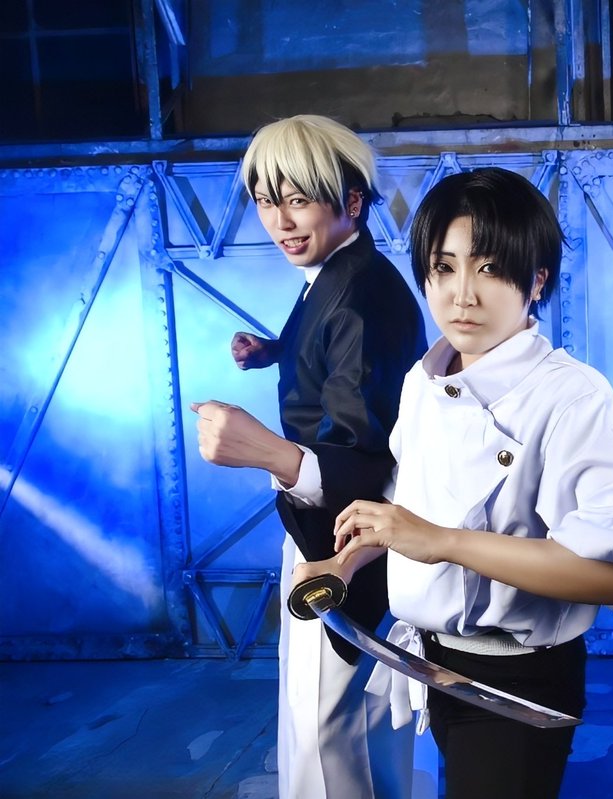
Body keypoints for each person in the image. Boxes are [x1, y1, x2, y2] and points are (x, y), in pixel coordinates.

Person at [292, 167, 613, 799]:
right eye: (444, 267)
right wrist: (344, 561)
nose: (462, 295)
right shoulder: (425, 380)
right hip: (435, 663)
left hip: (517, 685)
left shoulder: (571, 396)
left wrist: (445, 543)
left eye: (489, 268)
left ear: (537, 281)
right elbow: (410, 506)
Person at [191, 114, 427, 799]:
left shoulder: (360, 295)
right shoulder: (338, 273)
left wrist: (264, 450)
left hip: (347, 541)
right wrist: (275, 350)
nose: (280, 221)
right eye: (267, 201)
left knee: (329, 732)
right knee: (350, 724)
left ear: (351, 200)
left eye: (298, 200)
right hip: (325, 528)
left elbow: (366, 462)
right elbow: (333, 348)